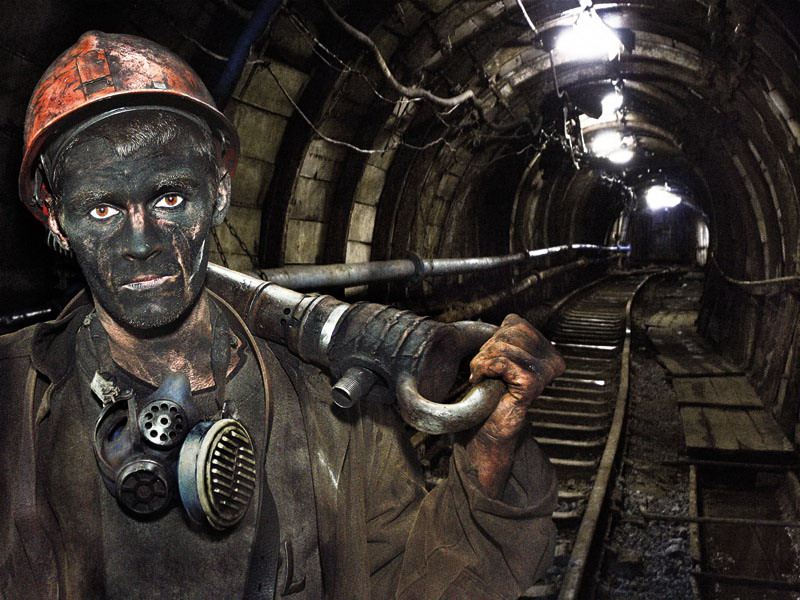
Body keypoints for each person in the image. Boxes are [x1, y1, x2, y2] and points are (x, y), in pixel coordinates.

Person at [0, 32, 565, 600]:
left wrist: (494, 451)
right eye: (101, 209)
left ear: (220, 193)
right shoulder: (14, 398)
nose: (141, 242)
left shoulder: (328, 404)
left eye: (170, 199)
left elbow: (418, 586)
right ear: (56, 221)